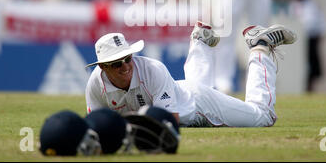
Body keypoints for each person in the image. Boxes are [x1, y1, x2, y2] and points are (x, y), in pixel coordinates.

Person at [85, 21, 297, 128]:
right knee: (191, 85)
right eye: (116, 64)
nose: (125, 66)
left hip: (198, 105)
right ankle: (200, 41)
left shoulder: (152, 70)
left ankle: (260, 46)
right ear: (103, 67)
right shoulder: (95, 84)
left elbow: (168, 122)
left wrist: (121, 123)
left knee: (263, 117)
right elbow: (95, 123)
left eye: (128, 58)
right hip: (182, 91)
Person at [289, 0, 326, 92]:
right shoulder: (294, 4)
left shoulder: (312, 5)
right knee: (301, 63)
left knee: (312, 63)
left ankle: (310, 87)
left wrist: (321, 33)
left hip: (310, 38)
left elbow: (313, 22)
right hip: (298, 40)